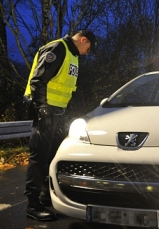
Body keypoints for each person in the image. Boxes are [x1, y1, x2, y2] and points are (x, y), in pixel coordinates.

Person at [23, 30, 96, 221]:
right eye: (88, 48)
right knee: (39, 156)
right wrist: (43, 109)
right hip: (45, 111)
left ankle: (44, 196)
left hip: (58, 113)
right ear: (83, 40)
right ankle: (32, 205)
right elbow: (38, 80)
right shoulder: (58, 48)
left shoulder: (73, 56)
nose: (87, 53)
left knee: (54, 155)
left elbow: (65, 87)